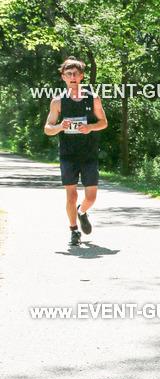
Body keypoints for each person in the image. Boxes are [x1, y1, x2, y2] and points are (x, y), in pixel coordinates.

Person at [44, 57, 108, 246]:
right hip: (68, 154)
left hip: (89, 153)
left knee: (91, 197)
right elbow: (47, 128)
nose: (72, 77)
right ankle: (74, 231)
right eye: (68, 74)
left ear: (81, 77)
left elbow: (103, 123)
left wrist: (90, 128)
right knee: (71, 195)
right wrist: (59, 126)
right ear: (63, 77)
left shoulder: (93, 98)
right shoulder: (58, 102)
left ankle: (81, 211)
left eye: (75, 74)